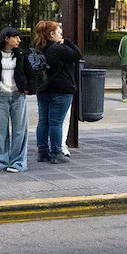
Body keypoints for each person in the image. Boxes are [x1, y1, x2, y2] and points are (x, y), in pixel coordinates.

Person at [0, 26, 36, 172]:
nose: (19, 40)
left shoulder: (21, 54)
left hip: (18, 96)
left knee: (19, 131)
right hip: (0, 97)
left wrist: (29, 88)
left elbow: (31, 73)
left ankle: (18, 162)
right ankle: (0, 161)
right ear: (6, 38)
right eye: (16, 37)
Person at [33, 20, 80, 164]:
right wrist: (67, 42)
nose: (61, 35)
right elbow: (77, 54)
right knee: (56, 123)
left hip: (43, 89)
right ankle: (56, 153)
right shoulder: (59, 48)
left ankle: (42, 152)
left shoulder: (38, 48)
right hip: (61, 90)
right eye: (59, 32)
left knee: (43, 121)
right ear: (52, 34)